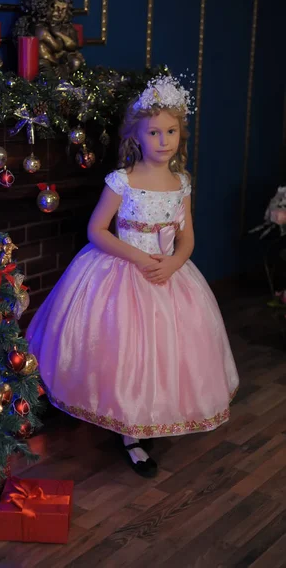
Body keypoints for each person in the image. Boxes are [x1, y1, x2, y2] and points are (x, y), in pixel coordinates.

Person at [26, 73, 239, 478]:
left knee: (164, 355)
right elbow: (97, 230)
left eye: (171, 131)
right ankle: (121, 422)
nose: (164, 140)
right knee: (120, 352)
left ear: (181, 133)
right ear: (136, 137)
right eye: (154, 132)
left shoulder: (182, 183)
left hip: (168, 276)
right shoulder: (122, 181)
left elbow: (187, 236)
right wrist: (139, 259)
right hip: (119, 272)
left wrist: (175, 262)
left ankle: (142, 426)